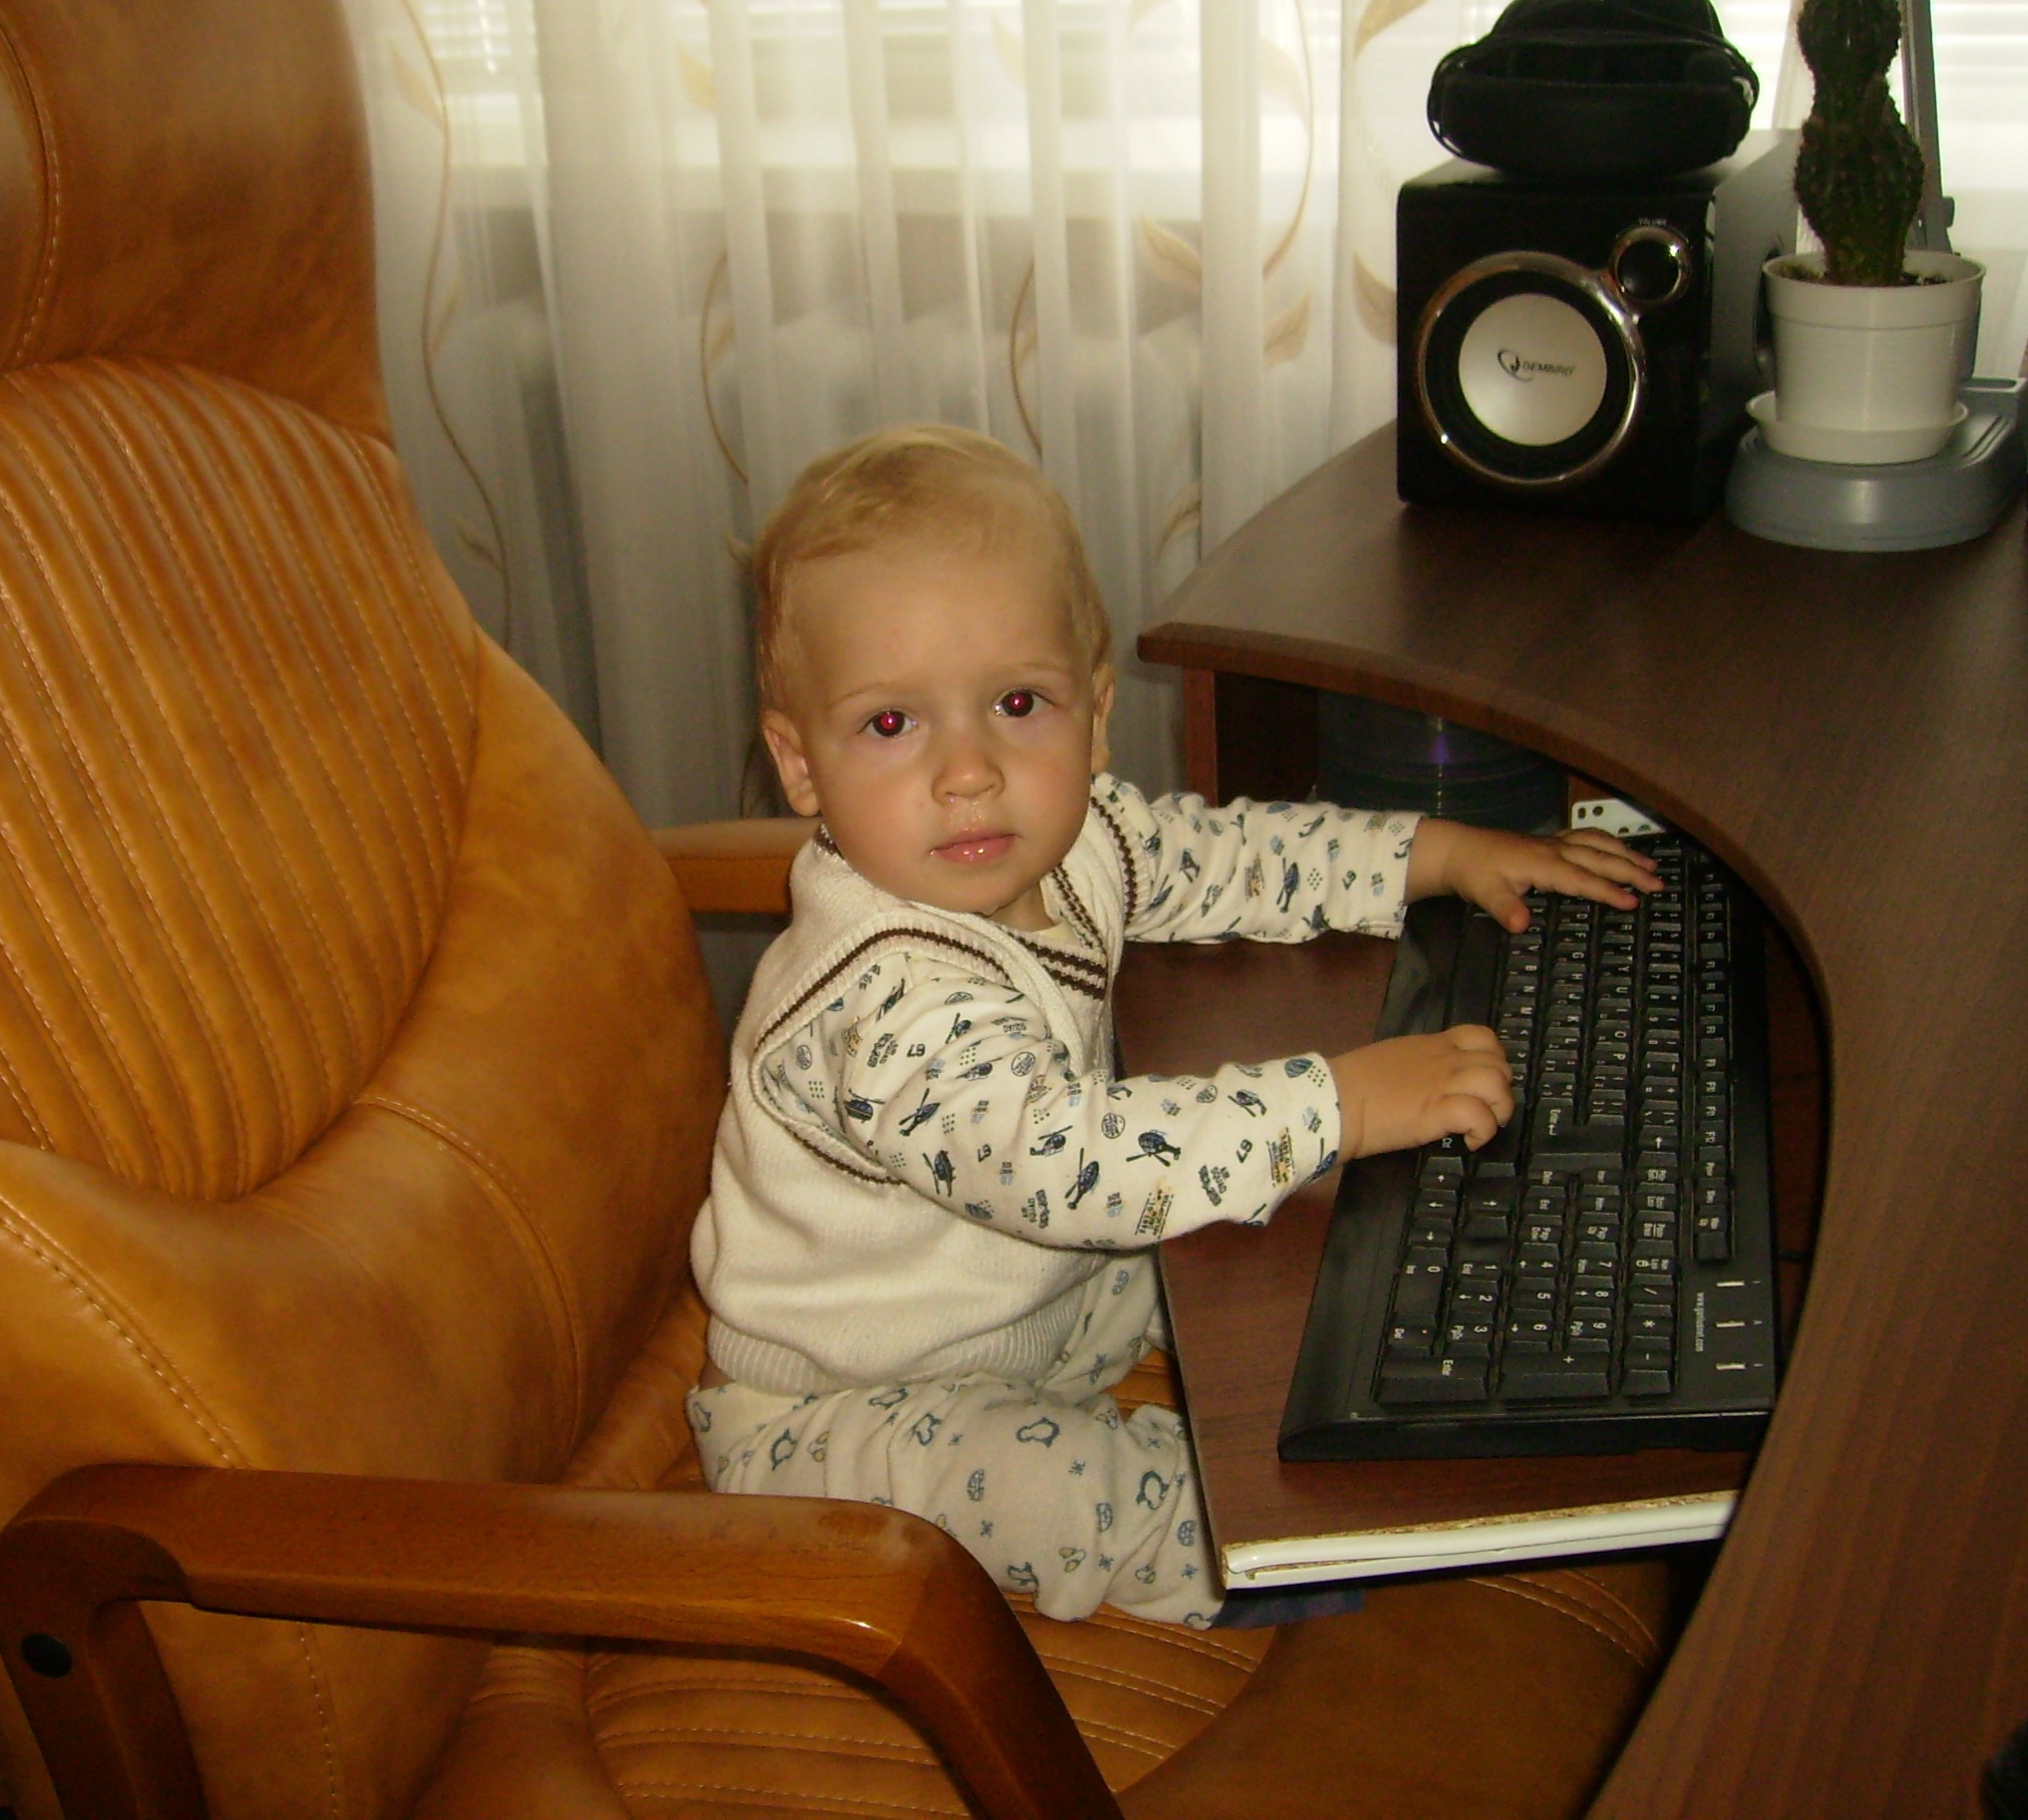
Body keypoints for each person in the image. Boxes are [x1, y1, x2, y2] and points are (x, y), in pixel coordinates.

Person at [686, 424, 1657, 1628]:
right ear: (799, 765)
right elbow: (1068, 1164)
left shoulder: (1078, 840)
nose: (968, 771)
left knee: (1295, 1262)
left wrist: (1436, 853)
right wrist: (1338, 1102)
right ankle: (1286, 1564)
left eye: (1016, 703)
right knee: (1094, 1492)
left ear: (1093, 718)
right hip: (838, 1415)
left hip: (1026, 1302)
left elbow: (1228, 856)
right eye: (892, 724)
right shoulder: (880, 999)